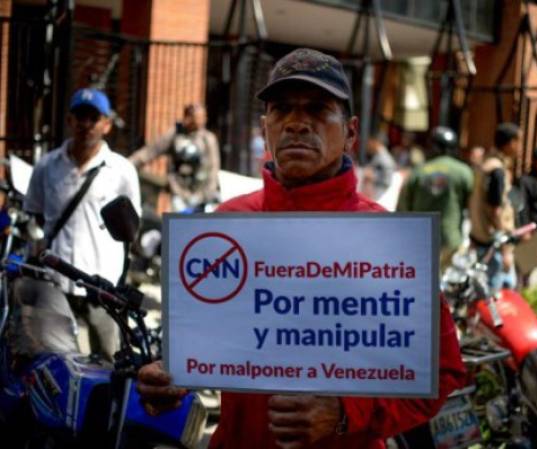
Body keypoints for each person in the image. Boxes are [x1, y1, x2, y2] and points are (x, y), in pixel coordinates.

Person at [136, 48, 466, 449]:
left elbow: (443, 371)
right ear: (265, 128)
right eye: (282, 110)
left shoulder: (386, 239)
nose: (296, 123)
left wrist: (346, 413)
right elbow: (203, 351)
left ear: (350, 132)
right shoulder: (227, 224)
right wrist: (171, 378)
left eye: (317, 108)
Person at [20, 88, 141, 361]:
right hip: (57, 281)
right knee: (55, 361)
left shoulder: (121, 171)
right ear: (69, 121)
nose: (86, 125)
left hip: (103, 284)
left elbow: (131, 227)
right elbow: (34, 215)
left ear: (106, 124)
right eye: (80, 117)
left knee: (111, 364)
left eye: (93, 118)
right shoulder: (47, 166)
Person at [397, 126, 473, 270]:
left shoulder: (418, 172)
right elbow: (472, 206)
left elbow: (403, 208)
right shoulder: (464, 172)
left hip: (420, 240)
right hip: (451, 240)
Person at [129, 103, 220, 212]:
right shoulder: (175, 135)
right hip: (179, 193)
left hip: (202, 194)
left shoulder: (208, 139)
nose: (202, 120)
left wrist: (208, 194)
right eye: (198, 117)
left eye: (203, 117)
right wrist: (125, 164)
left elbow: (214, 168)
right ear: (188, 117)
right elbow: (149, 152)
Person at [469, 122, 520, 290]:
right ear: (510, 143)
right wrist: (506, 250)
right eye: (518, 141)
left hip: (480, 238)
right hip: (493, 245)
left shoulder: (486, 164)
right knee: (498, 290)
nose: (520, 147)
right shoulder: (497, 170)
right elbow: (495, 210)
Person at [361, 135, 397, 200]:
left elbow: (387, 179)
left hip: (380, 195)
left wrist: (373, 176)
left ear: (376, 142)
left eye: (370, 143)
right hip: (373, 193)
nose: (368, 146)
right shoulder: (377, 155)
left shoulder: (385, 158)